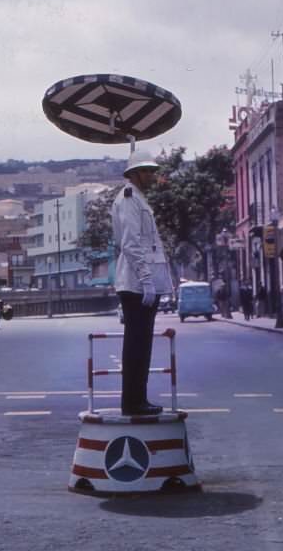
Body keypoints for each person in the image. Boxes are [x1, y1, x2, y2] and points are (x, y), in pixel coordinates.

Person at [112, 148, 173, 416]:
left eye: (152, 170)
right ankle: (133, 402)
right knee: (136, 344)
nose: (151, 175)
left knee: (142, 343)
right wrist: (146, 280)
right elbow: (130, 243)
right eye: (147, 171)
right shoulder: (129, 199)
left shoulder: (138, 199)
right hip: (136, 283)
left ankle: (139, 399)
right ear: (134, 173)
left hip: (142, 283)